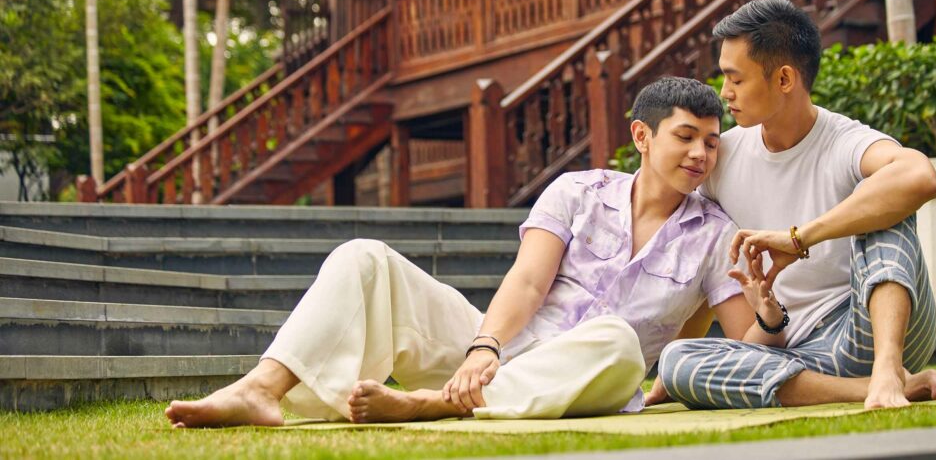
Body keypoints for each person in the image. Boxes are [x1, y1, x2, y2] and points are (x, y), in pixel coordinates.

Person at [165, 77, 778, 429]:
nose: (701, 154)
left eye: (712, 143)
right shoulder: (577, 191)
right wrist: (484, 349)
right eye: (686, 136)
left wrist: (768, 311)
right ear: (642, 137)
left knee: (617, 340)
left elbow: (743, 343)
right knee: (364, 256)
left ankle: (428, 406)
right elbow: (528, 281)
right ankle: (261, 388)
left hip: (579, 382)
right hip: (495, 352)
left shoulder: (716, 234)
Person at [653, 0, 936, 411]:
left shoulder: (842, 141)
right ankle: (871, 388)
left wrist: (800, 238)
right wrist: (671, 374)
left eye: (736, 79)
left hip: (868, 328)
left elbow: (920, 176)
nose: (725, 93)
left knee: (889, 206)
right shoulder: (725, 157)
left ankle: (887, 371)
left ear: (785, 79)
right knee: (677, 362)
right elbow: (699, 255)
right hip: (793, 355)